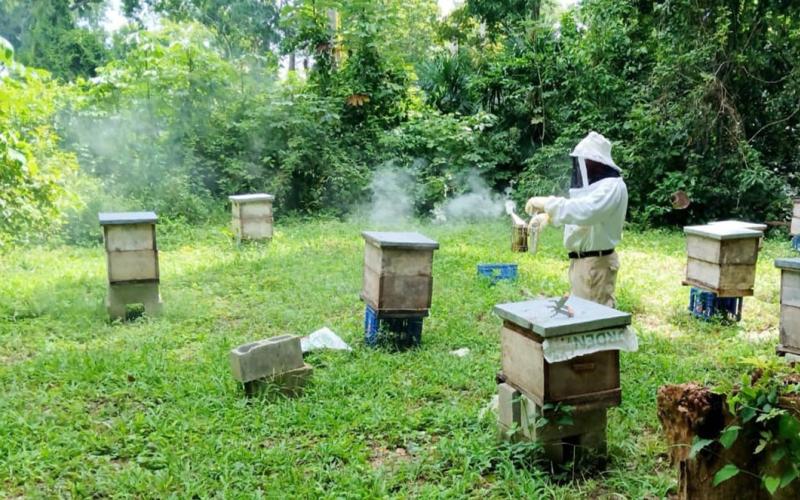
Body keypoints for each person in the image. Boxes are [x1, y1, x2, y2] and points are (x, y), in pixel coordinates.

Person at [525, 131, 628, 307]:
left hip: (596, 265)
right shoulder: (595, 188)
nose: (583, 165)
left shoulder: (612, 186)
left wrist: (548, 203)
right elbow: (579, 213)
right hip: (583, 264)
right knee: (581, 318)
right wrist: (549, 217)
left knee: (593, 322)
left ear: (597, 162)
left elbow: (587, 211)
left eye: (586, 160)